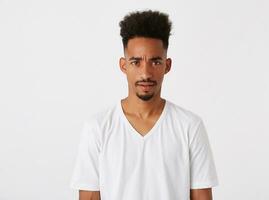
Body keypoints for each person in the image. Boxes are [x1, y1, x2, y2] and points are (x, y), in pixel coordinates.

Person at [70, 9, 219, 200]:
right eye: (136, 62)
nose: (146, 73)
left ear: (167, 65)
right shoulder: (98, 128)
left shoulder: (190, 126)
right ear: (124, 65)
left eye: (155, 62)